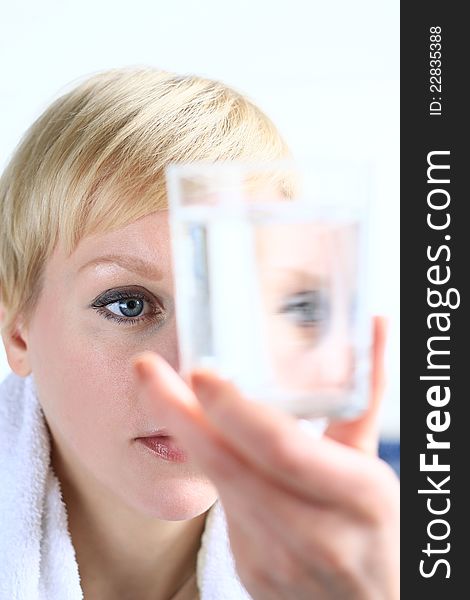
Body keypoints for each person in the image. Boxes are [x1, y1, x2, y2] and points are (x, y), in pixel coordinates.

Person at [0, 67, 399, 599]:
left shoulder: (387, 549)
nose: (195, 371)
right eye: (128, 304)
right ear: (17, 330)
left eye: (236, 307)